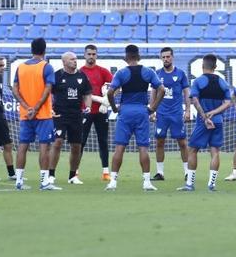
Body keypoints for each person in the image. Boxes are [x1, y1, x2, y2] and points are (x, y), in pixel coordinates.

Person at [105, 45, 165, 191]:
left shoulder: (121, 73)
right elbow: (161, 89)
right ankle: (146, 182)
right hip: (141, 111)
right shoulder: (148, 72)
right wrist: (154, 108)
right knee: (143, 148)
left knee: (120, 147)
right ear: (139, 57)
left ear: (126, 57)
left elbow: (110, 92)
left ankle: (113, 181)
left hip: (125, 112)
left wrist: (114, 108)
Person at [177, 54, 231, 192]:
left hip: (203, 121)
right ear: (215, 67)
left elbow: (194, 100)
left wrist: (205, 117)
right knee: (215, 151)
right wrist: (215, 112)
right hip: (218, 121)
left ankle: (190, 183)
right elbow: (228, 103)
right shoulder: (222, 82)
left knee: (193, 150)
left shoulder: (198, 81)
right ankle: (211, 184)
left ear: (202, 66)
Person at [11, 38, 57, 191]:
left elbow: (15, 89)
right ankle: (44, 182)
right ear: (44, 50)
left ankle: (18, 181)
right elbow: (48, 88)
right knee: (44, 146)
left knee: (23, 146)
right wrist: (36, 108)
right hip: (42, 114)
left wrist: (26, 106)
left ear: (31, 50)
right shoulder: (46, 67)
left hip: (25, 114)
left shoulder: (21, 67)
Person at [49, 51, 92, 187]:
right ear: (64, 62)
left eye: (75, 59)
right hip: (60, 115)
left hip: (76, 115)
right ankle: (51, 175)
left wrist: (88, 107)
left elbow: (87, 94)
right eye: (72, 59)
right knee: (58, 142)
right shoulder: (57, 76)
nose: (75, 61)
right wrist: (49, 108)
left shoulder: (81, 76)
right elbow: (48, 93)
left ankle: (73, 176)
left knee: (76, 146)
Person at [154, 47, 191, 181]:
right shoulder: (157, 74)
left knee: (182, 142)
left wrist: (188, 110)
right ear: (161, 58)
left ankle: (187, 172)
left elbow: (186, 92)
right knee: (159, 141)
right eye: (163, 57)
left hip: (176, 114)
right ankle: (160, 173)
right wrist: (152, 110)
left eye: (168, 57)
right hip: (162, 114)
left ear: (172, 57)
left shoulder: (180, 74)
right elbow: (154, 92)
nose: (166, 59)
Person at [79, 44, 114, 182]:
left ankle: (106, 172)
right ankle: (74, 172)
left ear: (96, 55)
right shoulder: (80, 72)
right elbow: (80, 93)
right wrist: (101, 100)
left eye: (94, 54)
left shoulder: (103, 71)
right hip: (85, 111)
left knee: (103, 141)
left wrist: (107, 102)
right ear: (84, 55)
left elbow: (115, 87)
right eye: (89, 54)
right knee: (80, 142)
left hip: (101, 112)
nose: (91, 56)